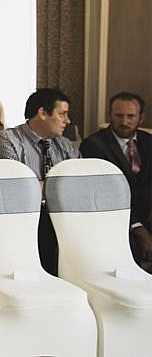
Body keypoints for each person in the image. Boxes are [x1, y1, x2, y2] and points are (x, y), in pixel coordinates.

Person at [0, 88, 77, 274]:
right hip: (24, 216)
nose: (67, 120)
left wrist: (39, 186)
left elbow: (78, 186)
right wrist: (61, 186)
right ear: (43, 113)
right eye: (62, 114)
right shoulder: (8, 139)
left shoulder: (64, 145)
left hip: (63, 214)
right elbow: (17, 189)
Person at [79, 92, 151, 265]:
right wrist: (138, 228)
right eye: (119, 116)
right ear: (109, 115)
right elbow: (104, 195)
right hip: (115, 221)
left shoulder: (149, 142)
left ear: (141, 118)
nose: (124, 122)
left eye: (130, 116)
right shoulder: (94, 145)